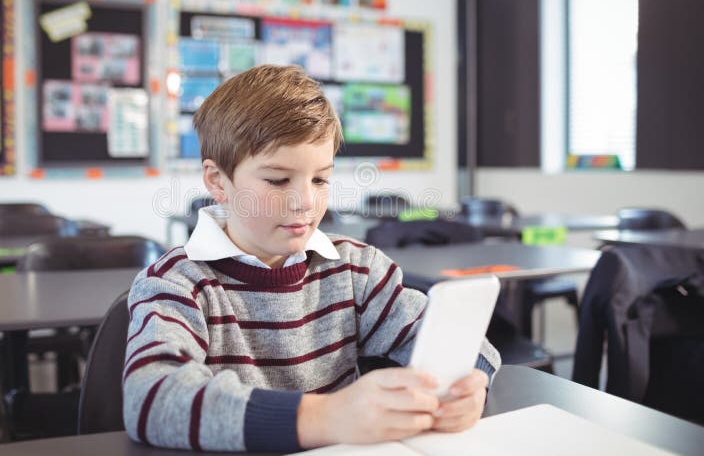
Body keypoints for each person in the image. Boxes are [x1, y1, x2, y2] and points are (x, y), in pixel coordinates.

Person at [123, 65, 500, 451]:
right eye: (278, 180)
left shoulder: (356, 269)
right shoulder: (175, 281)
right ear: (218, 181)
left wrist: (469, 386)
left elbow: (462, 345)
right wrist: (329, 416)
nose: (306, 201)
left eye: (320, 179)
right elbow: (151, 397)